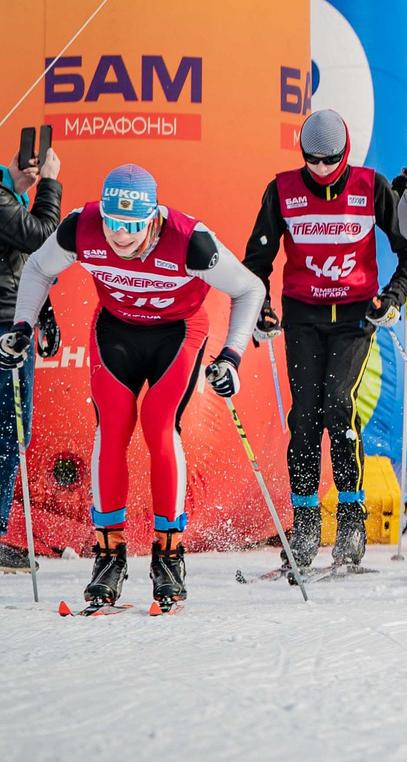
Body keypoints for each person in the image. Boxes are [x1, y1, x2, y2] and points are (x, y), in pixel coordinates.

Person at [8, 164, 266, 612]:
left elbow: (249, 289)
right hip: (117, 332)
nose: (120, 235)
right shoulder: (81, 227)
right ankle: (109, 556)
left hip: (177, 333)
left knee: (158, 425)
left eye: (132, 225)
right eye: (112, 222)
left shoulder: (190, 240)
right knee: (112, 428)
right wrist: (22, 327)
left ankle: (169, 556)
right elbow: (36, 269)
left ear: (154, 217)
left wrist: (231, 357)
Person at [237, 109, 407, 576]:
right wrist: (262, 307)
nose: (321, 169)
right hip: (303, 317)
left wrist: (392, 298)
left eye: (330, 160)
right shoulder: (282, 190)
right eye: (313, 160)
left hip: (353, 317)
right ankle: (304, 525)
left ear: (345, 154)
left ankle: (350, 522)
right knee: (304, 417)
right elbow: (256, 261)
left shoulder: (370, 186)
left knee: (339, 405)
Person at [0, 138, 62, 571]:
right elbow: (43, 239)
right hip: (5, 324)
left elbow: (21, 259)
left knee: (10, 431)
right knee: (10, 430)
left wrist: (45, 310)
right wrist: (51, 184)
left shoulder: (8, 196)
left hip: (14, 317)